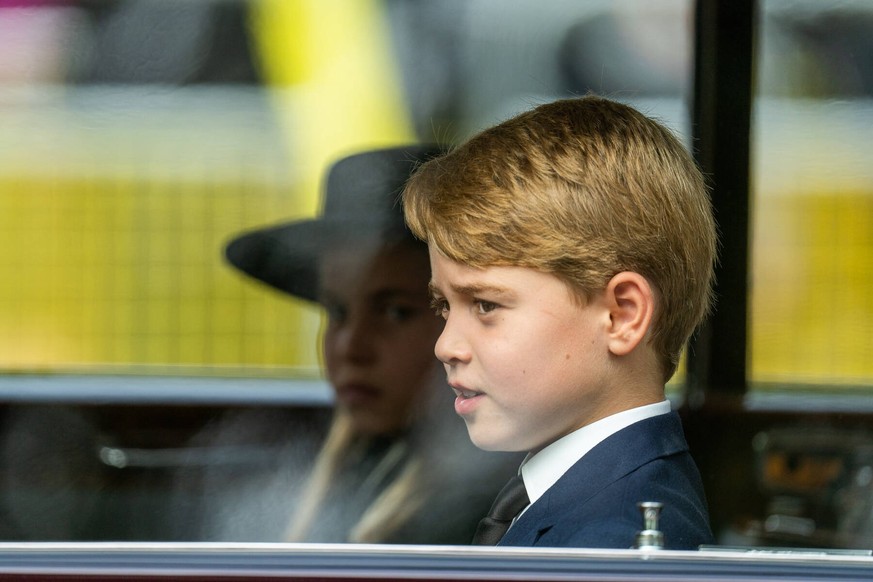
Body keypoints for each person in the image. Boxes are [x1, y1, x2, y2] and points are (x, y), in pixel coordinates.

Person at [401, 95, 716, 549]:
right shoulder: (584, 503)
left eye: (486, 306)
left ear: (622, 315)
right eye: (444, 307)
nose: (446, 345)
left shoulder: (613, 546)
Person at [176, 145, 519, 544]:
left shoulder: (482, 508)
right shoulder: (329, 470)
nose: (351, 348)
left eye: (395, 312)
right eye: (336, 312)